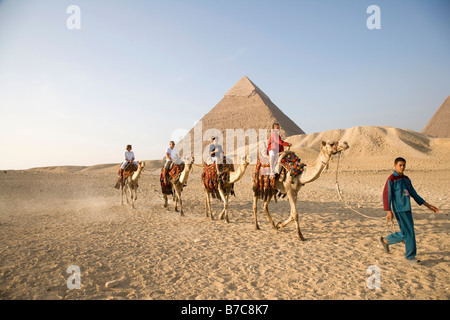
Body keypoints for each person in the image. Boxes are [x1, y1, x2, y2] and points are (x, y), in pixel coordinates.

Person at [380, 157, 439, 264]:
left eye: (404, 165)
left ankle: (386, 240)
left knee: (406, 232)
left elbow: (414, 194)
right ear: (395, 165)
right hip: (399, 209)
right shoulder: (391, 179)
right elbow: (386, 195)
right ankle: (410, 257)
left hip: (407, 208)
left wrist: (428, 206)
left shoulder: (406, 179)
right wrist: (388, 210)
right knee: (409, 232)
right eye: (400, 165)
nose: (402, 167)